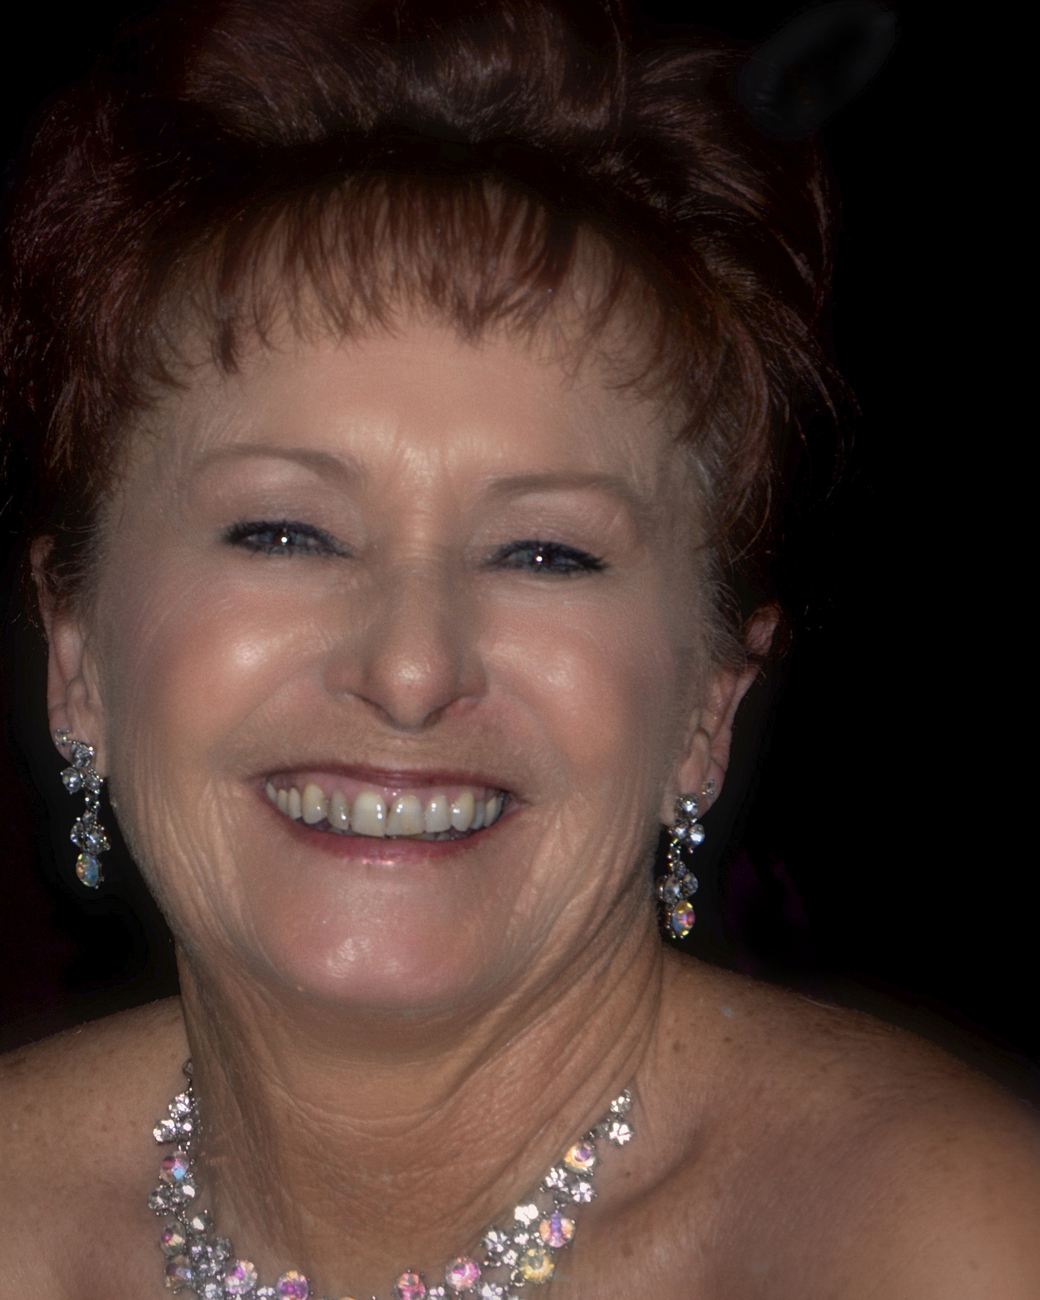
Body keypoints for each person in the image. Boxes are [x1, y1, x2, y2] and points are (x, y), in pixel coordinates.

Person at [0, 1, 1036, 1296]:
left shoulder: (951, 1246)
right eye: (284, 533)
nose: (410, 670)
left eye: (546, 554)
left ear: (710, 704)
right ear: (76, 652)